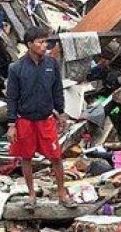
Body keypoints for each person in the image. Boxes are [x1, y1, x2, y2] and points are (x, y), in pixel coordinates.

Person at [6, 26, 72, 210]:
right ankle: (31, 195)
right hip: (25, 120)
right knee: (26, 158)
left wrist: (62, 112)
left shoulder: (52, 65)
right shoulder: (16, 68)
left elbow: (57, 90)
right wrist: (11, 124)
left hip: (46, 119)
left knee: (56, 157)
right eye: (40, 42)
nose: (44, 46)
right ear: (29, 44)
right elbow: (11, 97)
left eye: (46, 42)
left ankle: (62, 194)